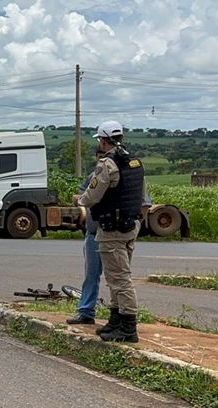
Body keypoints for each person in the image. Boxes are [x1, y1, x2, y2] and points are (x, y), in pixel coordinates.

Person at [74, 120, 145, 343]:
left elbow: (92, 195)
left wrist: (80, 200)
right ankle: (115, 320)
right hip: (130, 225)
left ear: (104, 140)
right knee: (117, 276)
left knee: (120, 278)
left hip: (113, 228)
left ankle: (127, 326)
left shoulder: (108, 164)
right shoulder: (133, 162)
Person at [66, 149, 107, 325]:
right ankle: (86, 311)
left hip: (113, 232)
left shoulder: (125, 174)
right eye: (99, 158)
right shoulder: (94, 175)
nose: (101, 161)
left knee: (118, 277)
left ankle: (120, 315)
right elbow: (81, 196)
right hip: (93, 231)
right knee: (91, 274)